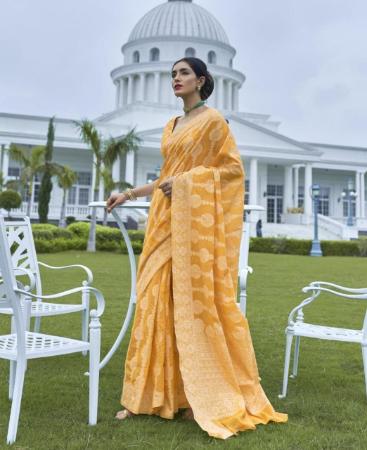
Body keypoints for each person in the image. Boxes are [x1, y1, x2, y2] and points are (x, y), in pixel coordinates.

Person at [107, 57, 287, 439]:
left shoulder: (214, 122)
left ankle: (199, 395)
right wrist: (128, 193)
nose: (176, 79)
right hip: (164, 222)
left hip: (194, 228)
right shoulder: (172, 125)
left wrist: (190, 182)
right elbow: (164, 179)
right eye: (173, 74)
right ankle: (147, 396)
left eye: (183, 73)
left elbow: (231, 171)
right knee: (155, 300)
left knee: (195, 304)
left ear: (201, 80)